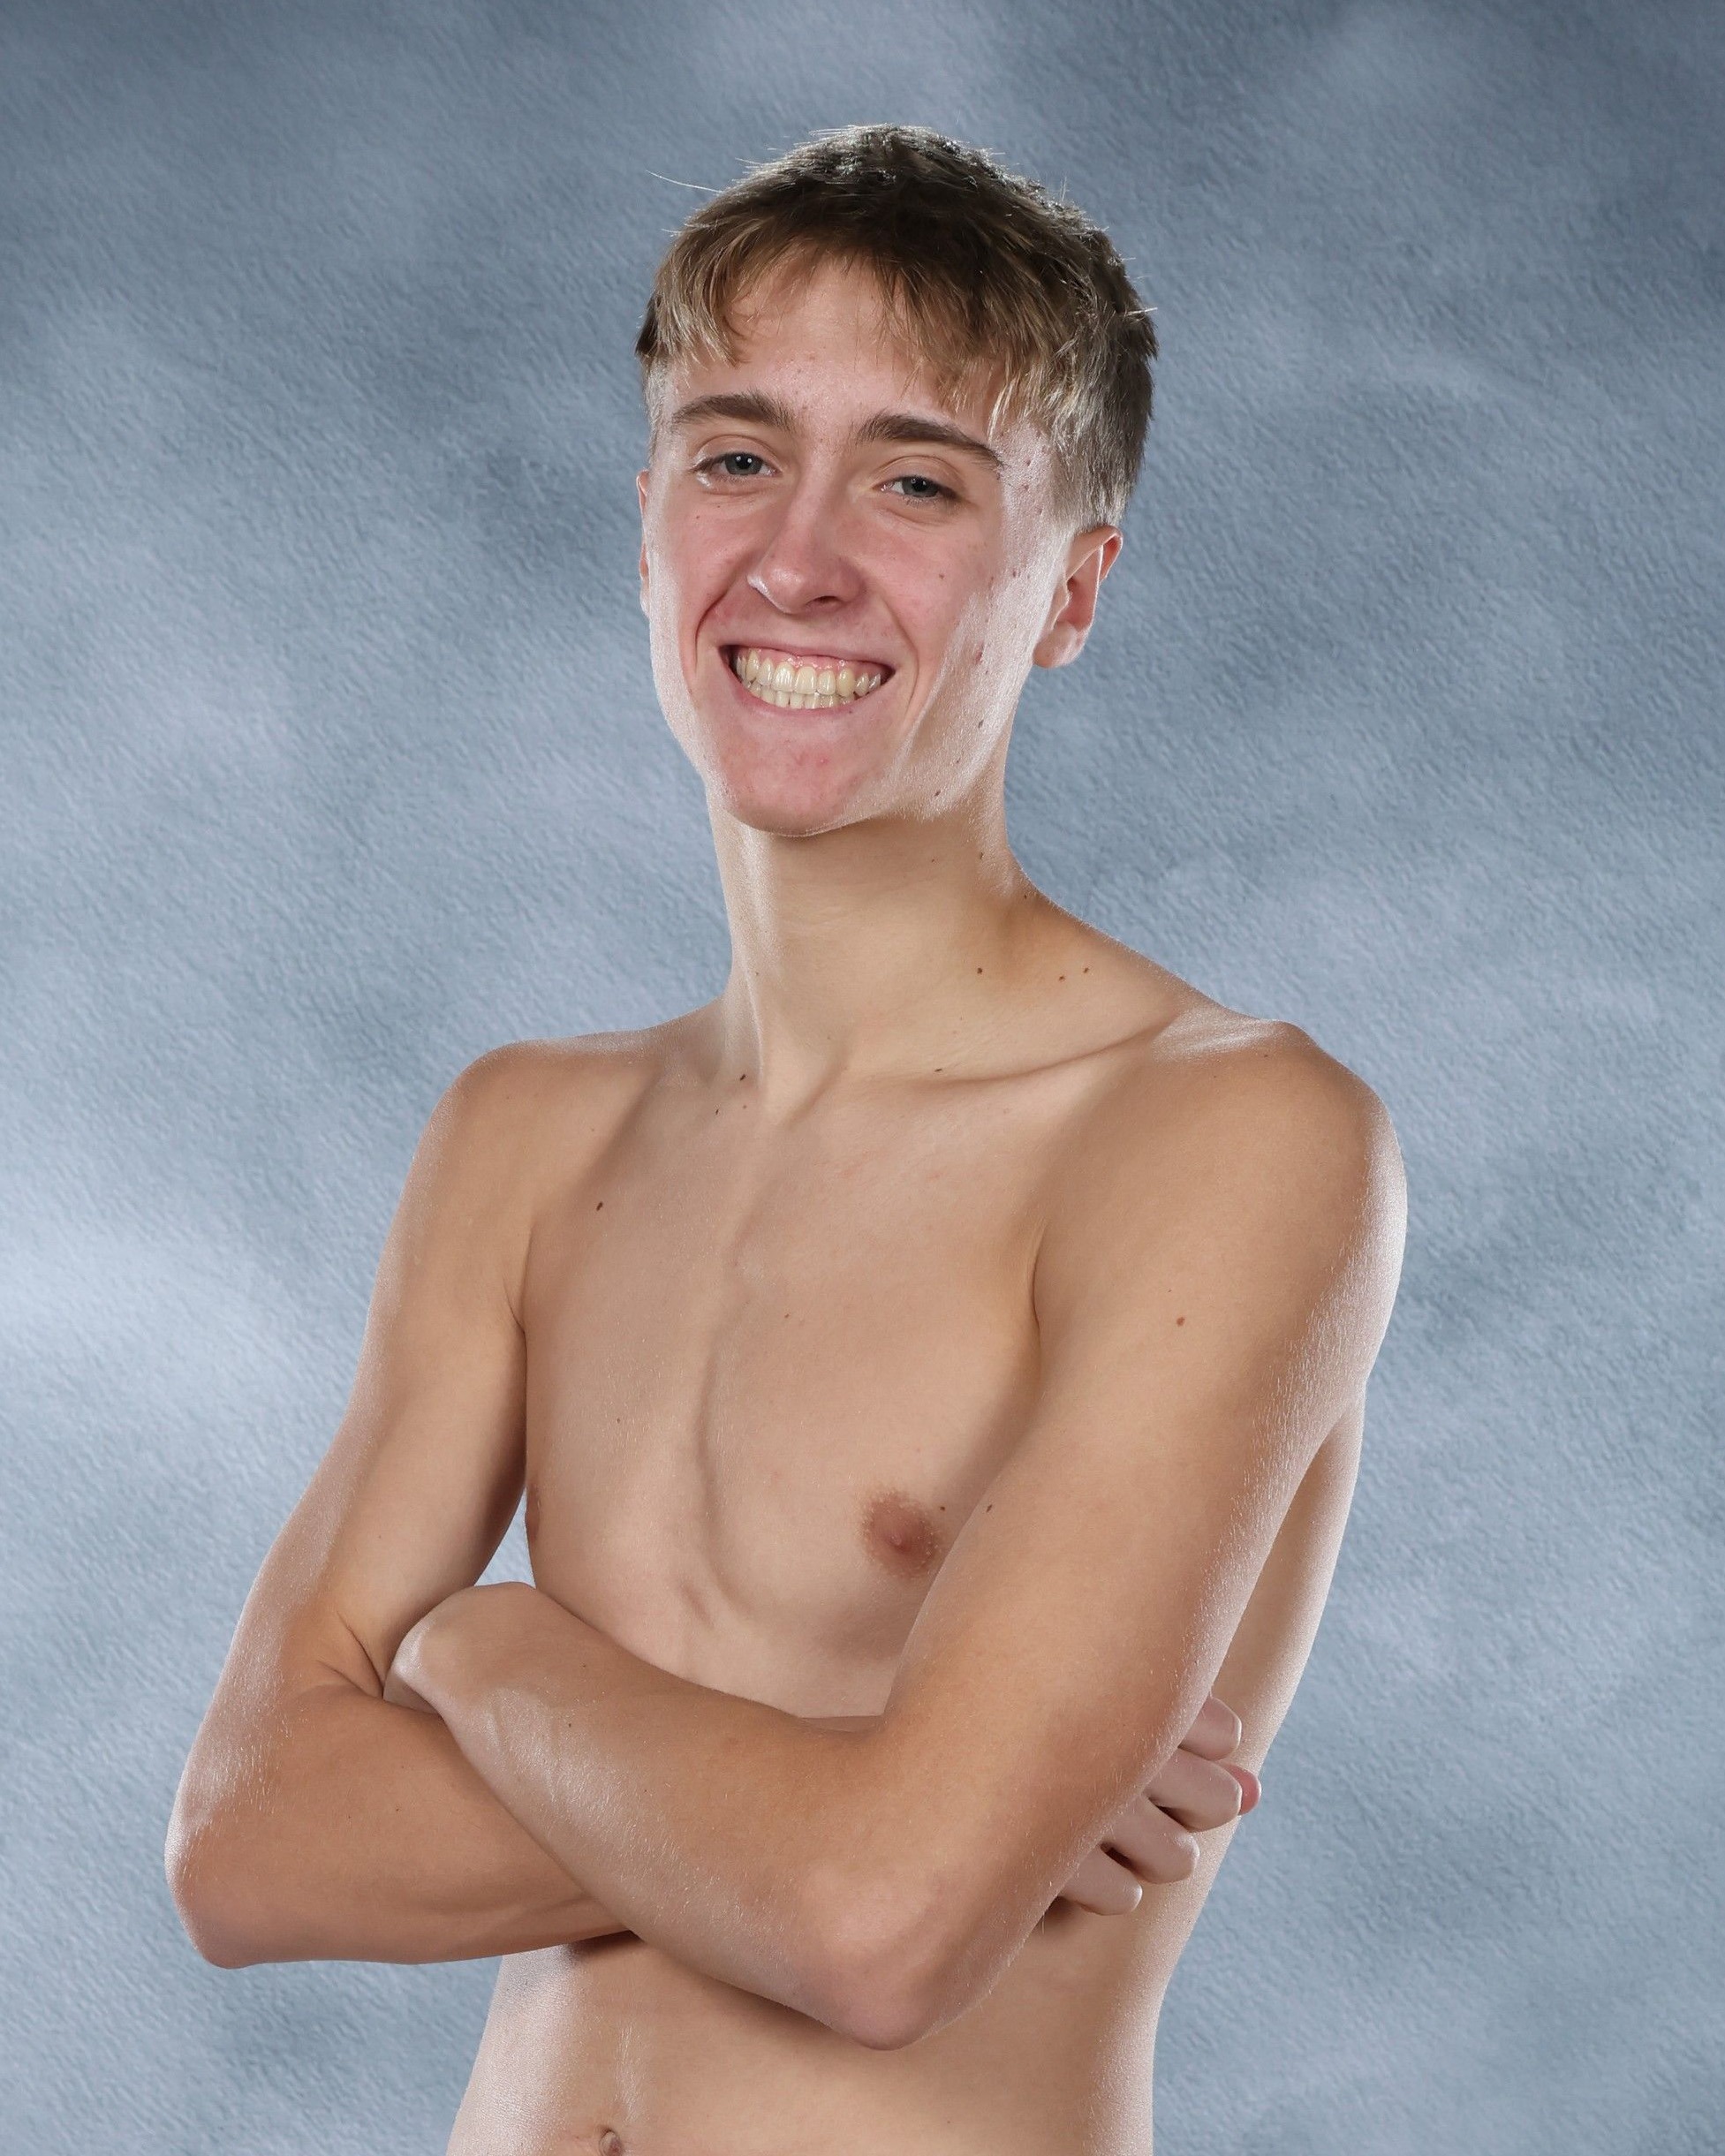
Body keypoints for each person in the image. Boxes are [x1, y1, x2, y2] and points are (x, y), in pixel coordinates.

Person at [167, 124, 1405, 2154]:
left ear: (1069, 588)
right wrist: (885, 1796)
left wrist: (480, 1646)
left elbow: (880, 1928)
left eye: (916, 481)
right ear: (647, 523)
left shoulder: (1225, 1138)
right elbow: (245, 1846)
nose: (799, 558)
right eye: (735, 458)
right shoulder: (523, 1137)